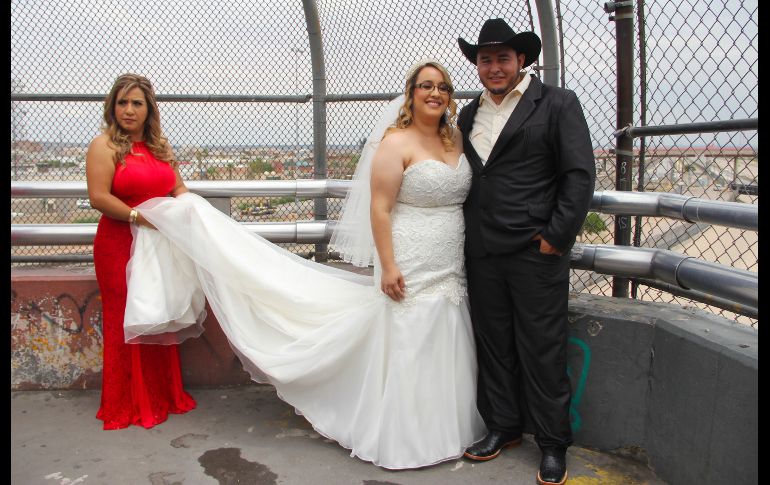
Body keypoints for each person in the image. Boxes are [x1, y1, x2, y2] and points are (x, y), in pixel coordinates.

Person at [120, 59, 486, 469]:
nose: (435, 93)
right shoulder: (395, 142)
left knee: (446, 331)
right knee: (411, 337)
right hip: (410, 255)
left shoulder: (455, 138)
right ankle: (407, 437)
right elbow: (380, 210)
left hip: (450, 258)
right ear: (411, 93)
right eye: (426, 86)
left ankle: (446, 428)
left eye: (444, 87)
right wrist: (387, 265)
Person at [456, 18, 596, 485]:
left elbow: (578, 176)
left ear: (522, 60)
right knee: (495, 346)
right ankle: (504, 427)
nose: (494, 67)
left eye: (502, 58)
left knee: (542, 348)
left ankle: (553, 444)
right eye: (485, 59)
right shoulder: (468, 114)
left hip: (536, 250)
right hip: (482, 251)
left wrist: (556, 237)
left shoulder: (557, 103)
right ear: (477, 64)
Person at [85, 73, 196, 429]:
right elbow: (99, 197)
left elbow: (177, 186)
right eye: (122, 102)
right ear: (112, 107)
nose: (129, 110)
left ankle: (161, 395)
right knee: (128, 319)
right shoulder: (103, 146)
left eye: (137, 103)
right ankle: (126, 402)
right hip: (119, 243)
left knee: (157, 314)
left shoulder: (160, 148)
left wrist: (188, 208)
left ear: (149, 110)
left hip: (159, 243)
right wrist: (138, 216)